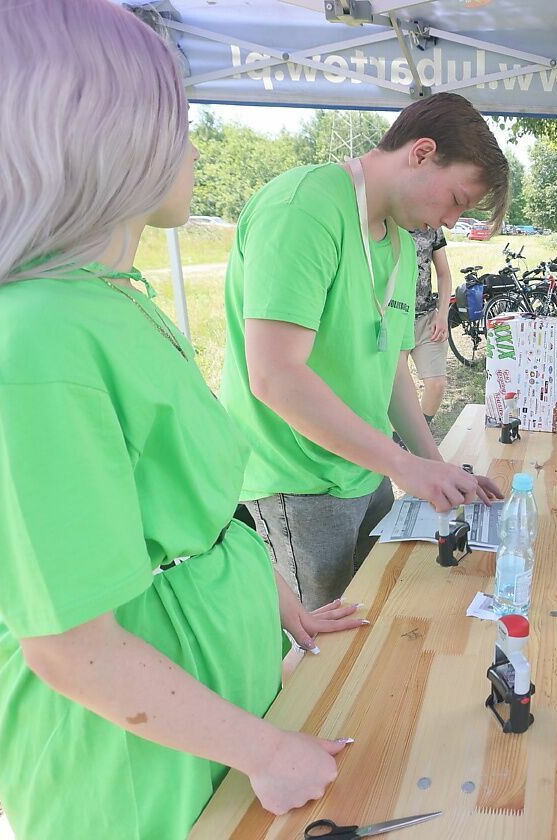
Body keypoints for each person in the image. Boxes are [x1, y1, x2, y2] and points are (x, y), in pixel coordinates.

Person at [0, 2, 371, 836]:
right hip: (131, 767)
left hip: (204, 707)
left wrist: (273, 598)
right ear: (104, 134)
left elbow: (187, 514)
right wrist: (267, 751)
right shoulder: (24, 341)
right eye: (179, 123)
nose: (195, 149)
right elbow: (72, 643)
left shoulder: (106, 299)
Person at [219, 93, 508, 612]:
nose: (450, 220)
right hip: (298, 482)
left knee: (373, 620)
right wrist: (402, 465)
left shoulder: (399, 240)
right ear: (422, 153)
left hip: (364, 467)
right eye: (456, 199)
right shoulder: (304, 209)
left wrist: (435, 468)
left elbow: (390, 367)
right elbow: (275, 374)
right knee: (320, 648)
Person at [403, 225, 453, 425]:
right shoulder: (389, 220)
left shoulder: (433, 226)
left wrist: (442, 315)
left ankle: (417, 432)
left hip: (426, 317)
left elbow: (444, 274)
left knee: (436, 385)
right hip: (392, 317)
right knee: (397, 389)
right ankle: (397, 437)